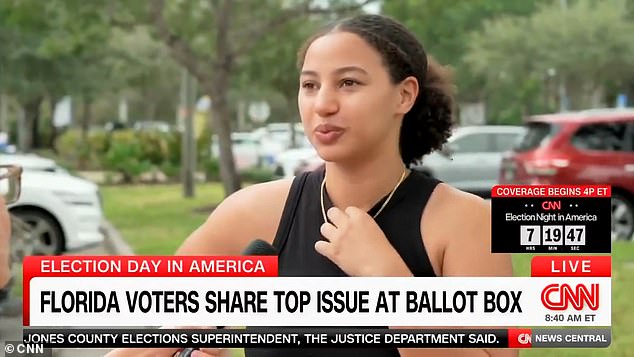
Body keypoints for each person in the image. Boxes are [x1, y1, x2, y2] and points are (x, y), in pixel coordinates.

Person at [107, 14, 514, 357]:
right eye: (310, 85)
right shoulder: (249, 215)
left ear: (404, 95)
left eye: (349, 83)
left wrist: (388, 279)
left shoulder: (465, 223)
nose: (323, 104)